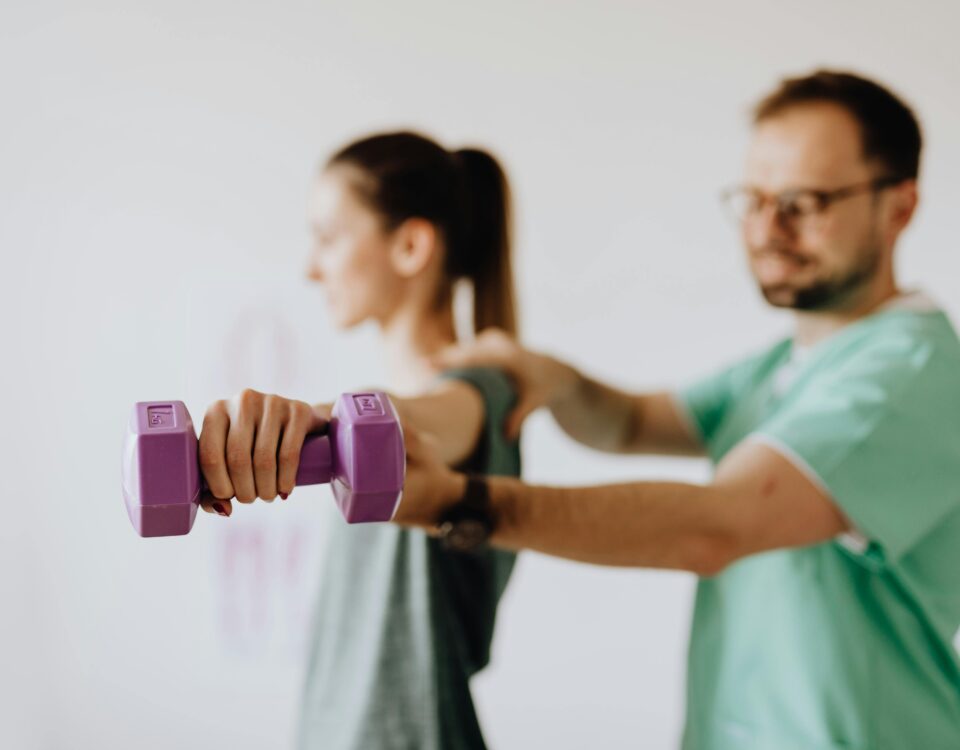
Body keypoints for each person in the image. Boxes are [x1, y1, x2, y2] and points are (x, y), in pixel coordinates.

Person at [394, 71, 960, 749]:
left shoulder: (909, 373)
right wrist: (552, 379)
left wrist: (462, 503)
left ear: (899, 207)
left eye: (803, 202)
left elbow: (714, 527)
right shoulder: (784, 366)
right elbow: (632, 422)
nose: (767, 228)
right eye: (754, 200)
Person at [196, 131, 522, 750]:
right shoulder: (414, 405)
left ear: (410, 246)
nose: (311, 267)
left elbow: (419, 423)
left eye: (328, 237)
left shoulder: (478, 394)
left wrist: (313, 420)